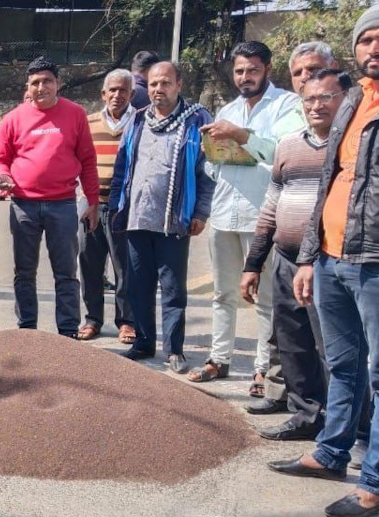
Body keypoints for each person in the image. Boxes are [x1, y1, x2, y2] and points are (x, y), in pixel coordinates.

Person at [269, 1, 379, 517]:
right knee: (343, 367)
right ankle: (331, 454)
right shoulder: (353, 102)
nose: (375, 48)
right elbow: (331, 179)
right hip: (331, 259)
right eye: (367, 39)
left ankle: (376, 483)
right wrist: (309, 257)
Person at [241, 69, 350, 442]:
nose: (316, 105)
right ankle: (306, 416)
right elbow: (272, 205)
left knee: (333, 349)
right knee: (292, 343)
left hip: (329, 261)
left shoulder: (351, 146)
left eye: (327, 97)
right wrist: (254, 261)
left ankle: (346, 428)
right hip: (286, 259)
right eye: (309, 99)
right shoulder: (289, 145)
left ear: (345, 99)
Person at [190, 41, 303, 395]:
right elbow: (211, 166)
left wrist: (239, 137)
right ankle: (218, 358)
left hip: (262, 215)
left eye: (252, 70)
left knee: (266, 297)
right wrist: (216, 152)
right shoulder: (229, 108)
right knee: (223, 294)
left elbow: (281, 150)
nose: (245, 77)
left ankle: (261, 369)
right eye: (239, 71)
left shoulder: (287, 105)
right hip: (225, 211)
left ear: (267, 70)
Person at [108, 61, 215, 373]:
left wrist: (200, 212)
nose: (158, 89)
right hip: (138, 217)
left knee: (173, 289)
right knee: (138, 285)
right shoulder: (139, 121)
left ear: (178, 85)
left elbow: (206, 172)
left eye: (165, 83)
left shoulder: (196, 120)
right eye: (153, 84)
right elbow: (122, 167)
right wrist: (117, 208)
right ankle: (143, 342)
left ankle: (174, 350)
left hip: (173, 220)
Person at [0, 56, 99, 338]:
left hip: (63, 205)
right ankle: (27, 329)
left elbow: (87, 160)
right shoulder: (13, 119)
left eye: (47, 81)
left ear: (58, 83)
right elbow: (0, 159)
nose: (41, 87)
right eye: (35, 82)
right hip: (24, 205)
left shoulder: (75, 115)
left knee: (66, 273)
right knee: (24, 272)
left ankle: (67, 331)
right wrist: (2, 176)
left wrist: (93, 201)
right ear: (28, 86)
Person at [77, 69, 136, 344]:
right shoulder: (87, 123)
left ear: (131, 94)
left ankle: (126, 321)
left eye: (123, 90)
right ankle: (92, 319)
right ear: (103, 94)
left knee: (125, 267)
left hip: (125, 208)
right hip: (90, 205)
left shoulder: (141, 122)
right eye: (112, 90)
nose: (117, 95)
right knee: (89, 265)